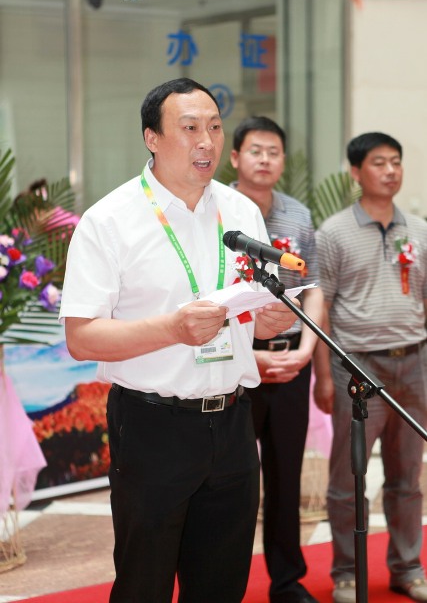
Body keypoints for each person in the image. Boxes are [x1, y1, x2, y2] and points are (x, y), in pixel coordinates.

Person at [58, 78, 299, 603]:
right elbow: (81, 337)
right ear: (152, 137)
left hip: (234, 421)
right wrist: (173, 328)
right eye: (189, 128)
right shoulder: (110, 220)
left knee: (221, 584)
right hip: (153, 426)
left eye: (214, 127)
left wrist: (269, 319)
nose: (206, 142)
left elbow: (249, 318)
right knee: (144, 583)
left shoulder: (241, 212)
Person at [314, 132, 427, 603]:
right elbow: (320, 307)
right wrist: (324, 375)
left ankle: (408, 568)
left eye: (396, 161)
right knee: (348, 479)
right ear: (356, 172)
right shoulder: (333, 232)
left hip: (414, 362)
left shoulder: (419, 229)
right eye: (379, 162)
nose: (390, 170)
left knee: (408, 478)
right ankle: (346, 572)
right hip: (356, 368)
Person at [230, 115, 324, 603]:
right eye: (255, 150)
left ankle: (287, 582)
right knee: (232, 480)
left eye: (273, 152)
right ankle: (224, 584)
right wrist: (249, 356)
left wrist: (306, 350)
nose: (265, 160)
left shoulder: (298, 215)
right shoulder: (217, 211)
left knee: (286, 477)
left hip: (290, 362)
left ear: (283, 160)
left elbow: (314, 287)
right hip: (234, 365)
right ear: (234, 158)